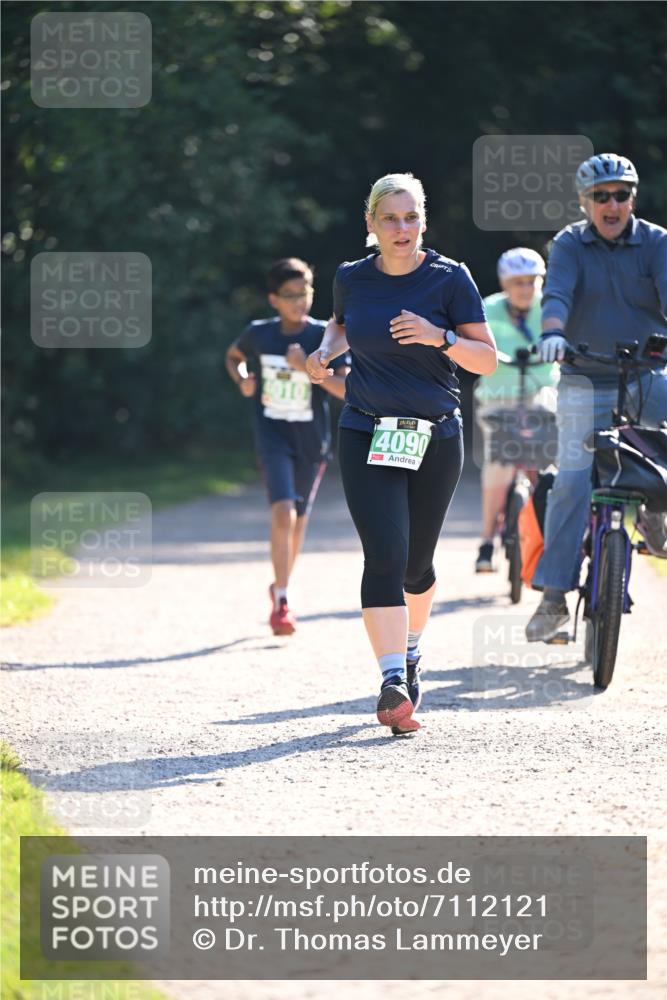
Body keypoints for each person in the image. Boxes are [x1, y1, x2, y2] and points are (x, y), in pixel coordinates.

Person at [305, 173, 497, 734]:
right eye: (390, 218)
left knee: (417, 564)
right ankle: (392, 682)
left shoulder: (449, 278)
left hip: (434, 434)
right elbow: (342, 327)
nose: (402, 228)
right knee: (385, 552)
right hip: (365, 429)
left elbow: (487, 359)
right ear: (371, 224)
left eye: (411, 217)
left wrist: (439, 336)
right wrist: (323, 353)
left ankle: (411, 650)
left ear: (423, 221)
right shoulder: (351, 278)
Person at [526, 153, 667, 641]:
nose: (612, 205)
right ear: (585, 202)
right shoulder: (568, 243)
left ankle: (656, 514)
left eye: (621, 195)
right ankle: (553, 597)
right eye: (600, 196)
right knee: (570, 480)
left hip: (648, 374)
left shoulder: (657, 243)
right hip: (583, 375)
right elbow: (557, 294)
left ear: (633, 198)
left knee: (663, 453)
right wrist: (552, 334)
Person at [226, 258, 348, 636]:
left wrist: (305, 368)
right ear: (273, 299)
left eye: (305, 293)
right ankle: (282, 600)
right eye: (290, 295)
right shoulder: (259, 334)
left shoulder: (323, 338)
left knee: (298, 522)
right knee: (283, 513)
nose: (299, 301)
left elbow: (346, 389)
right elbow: (234, 357)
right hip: (272, 434)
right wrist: (243, 378)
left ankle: (279, 584)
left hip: (310, 441)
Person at [473, 247, 558, 572]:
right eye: (517, 282)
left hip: (541, 394)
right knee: (499, 463)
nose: (525, 289)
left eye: (531, 282)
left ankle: (547, 535)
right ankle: (486, 541)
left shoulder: (550, 308)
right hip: (499, 397)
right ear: (505, 283)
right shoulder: (488, 309)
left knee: (550, 462)